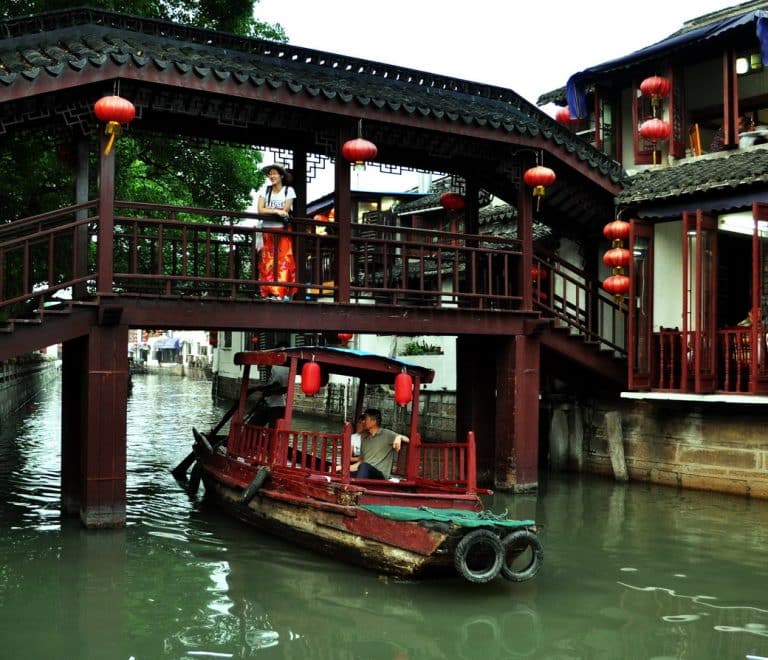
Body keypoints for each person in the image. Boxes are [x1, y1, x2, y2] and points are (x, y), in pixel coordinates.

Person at [257, 163, 297, 299]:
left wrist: (276, 211)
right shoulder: (265, 191)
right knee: (267, 262)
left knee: (283, 262)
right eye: (270, 174)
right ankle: (267, 292)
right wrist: (274, 210)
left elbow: (285, 211)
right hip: (267, 231)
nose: (271, 176)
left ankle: (278, 293)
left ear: (281, 175)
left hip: (282, 231)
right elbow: (260, 210)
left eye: (274, 173)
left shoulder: (288, 191)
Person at [350, 408, 409, 480]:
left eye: (365, 419)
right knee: (348, 474)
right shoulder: (364, 438)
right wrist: (341, 468)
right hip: (365, 470)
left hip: (380, 475)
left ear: (373, 421)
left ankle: (357, 489)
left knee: (364, 466)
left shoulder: (387, 434)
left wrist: (399, 437)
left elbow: (407, 439)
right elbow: (361, 462)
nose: (363, 421)